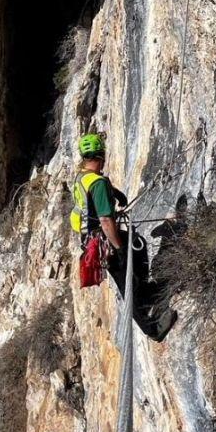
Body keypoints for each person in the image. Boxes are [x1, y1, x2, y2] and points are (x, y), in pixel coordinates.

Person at [70, 133, 176, 341]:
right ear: (101, 155)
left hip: (93, 239)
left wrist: (115, 193)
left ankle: (147, 292)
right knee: (127, 282)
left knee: (139, 245)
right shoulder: (97, 183)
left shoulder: (82, 177)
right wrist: (119, 249)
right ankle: (152, 330)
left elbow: (93, 196)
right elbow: (106, 221)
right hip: (105, 241)